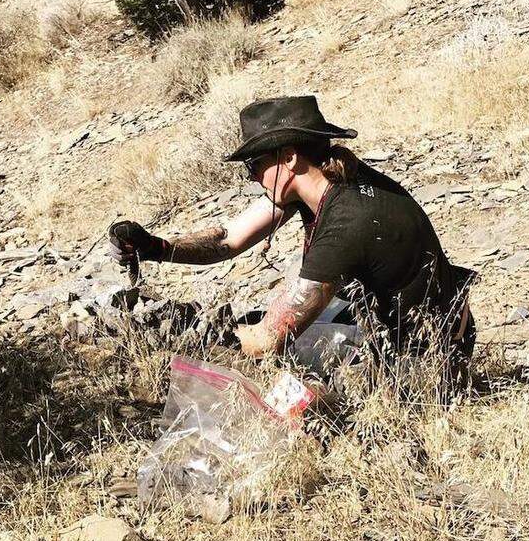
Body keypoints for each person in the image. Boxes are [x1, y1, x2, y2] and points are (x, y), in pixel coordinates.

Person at [108, 96, 476, 383]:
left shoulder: (347, 222)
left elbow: (268, 339)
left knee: (285, 383)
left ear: (289, 157)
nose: (252, 177)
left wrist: (193, 336)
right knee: (264, 314)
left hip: (425, 362)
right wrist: (156, 247)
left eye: (255, 165)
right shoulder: (327, 179)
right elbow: (228, 240)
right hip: (413, 327)